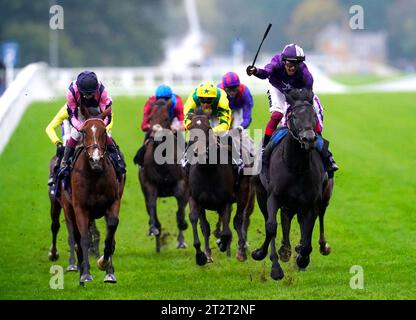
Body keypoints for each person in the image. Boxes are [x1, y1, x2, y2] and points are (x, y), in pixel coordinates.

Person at [246, 43, 338, 177]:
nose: (292, 67)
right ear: (283, 61)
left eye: (296, 64)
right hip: (278, 90)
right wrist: (255, 72)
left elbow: (308, 97)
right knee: (277, 115)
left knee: (312, 114)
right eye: (289, 64)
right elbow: (266, 73)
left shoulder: (306, 76)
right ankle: (264, 148)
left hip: (298, 93)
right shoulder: (276, 62)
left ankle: (326, 154)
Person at [58, 70, 125, 178]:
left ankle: (117, 159)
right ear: (80, 90)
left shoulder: (102, 91)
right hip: (79, 111)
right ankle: (65, 162)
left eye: (91, 93)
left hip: (97, 110)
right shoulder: (71, 93)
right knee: (75, 134)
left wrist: (101, 126)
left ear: (96, 89)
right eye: (85, 93)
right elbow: (72, 116)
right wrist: (81, 127)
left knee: (105, 134)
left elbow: (107, 114)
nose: (88, 95)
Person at [46, 104, 115, 187]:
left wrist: (100, 132)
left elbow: (110, 120)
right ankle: (56, 175)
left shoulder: (99, 104)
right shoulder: (66, 109)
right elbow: (49, 128)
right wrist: (57, 142)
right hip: (72, 125)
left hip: (91, 126)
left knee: (106, 139)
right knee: (66, 146)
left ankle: (118, 161)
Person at [182, 80, 243, 173]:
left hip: (216, 113)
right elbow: (187, 122)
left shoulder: (222, 99)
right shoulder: (192, 99)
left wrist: (210, 132)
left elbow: (224, 125)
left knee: (226, 136)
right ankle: (185, 158)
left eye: (209, 100)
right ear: (198, 98)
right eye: (202, 100)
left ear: (214, 99)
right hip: (199, 114)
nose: (205, 103)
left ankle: (237, 161)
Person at [133, 84, 185, 167]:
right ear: (155, 98)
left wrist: (175, 128)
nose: (162, 102)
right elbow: (144, 125)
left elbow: (183, 123)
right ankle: (142, 165)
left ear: (170, 98)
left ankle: (184, 163)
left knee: (181, 142)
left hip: (172, 124)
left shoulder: (177, 102)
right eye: (159, 99)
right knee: (146, 144)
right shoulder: (150, 103)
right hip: (155, 126)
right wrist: (152, 127)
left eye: (166, 99)